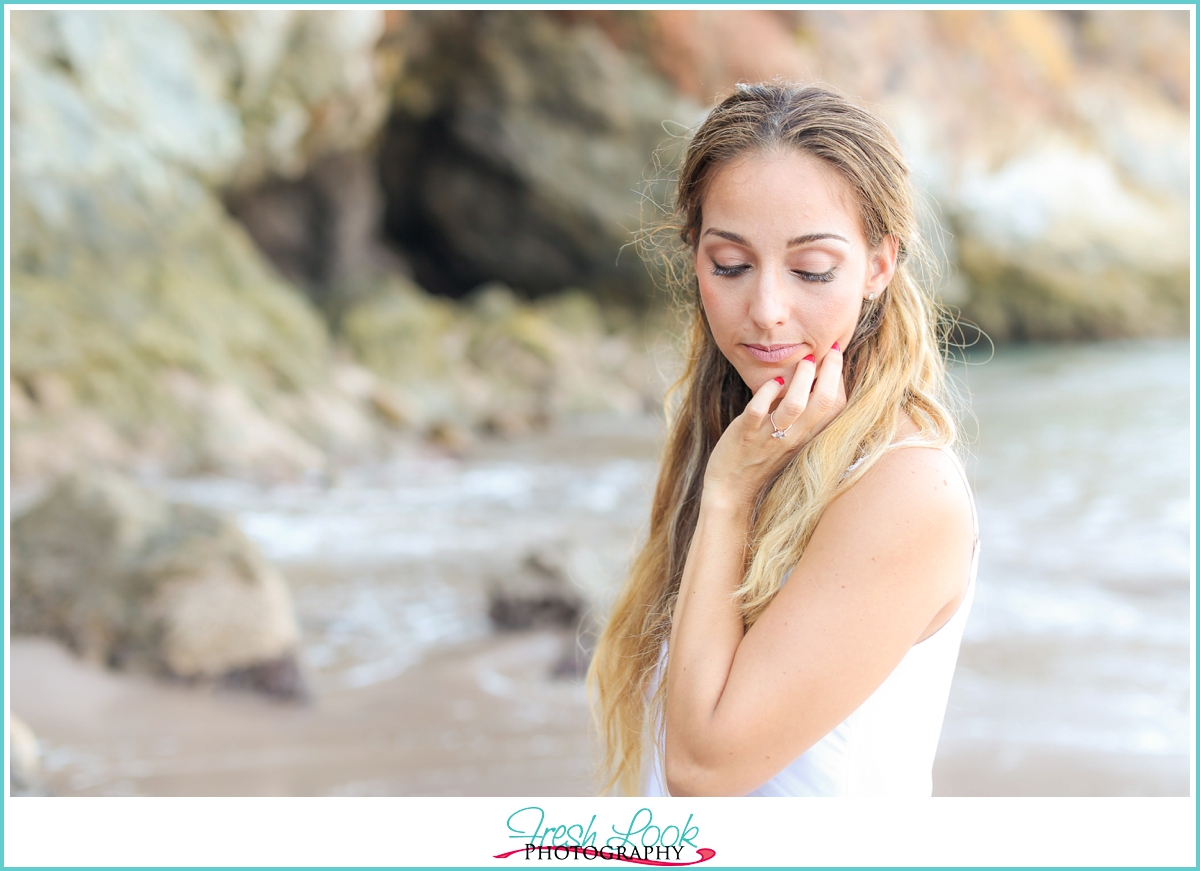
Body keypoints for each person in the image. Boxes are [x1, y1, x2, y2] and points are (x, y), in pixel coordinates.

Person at [587, 83, 978, 797]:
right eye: (730, 264)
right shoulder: (742, 436)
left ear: (879, 266)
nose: (765, 310)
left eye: (811, 270)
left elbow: (702, 767)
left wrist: (731, 494)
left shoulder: (904, 486)